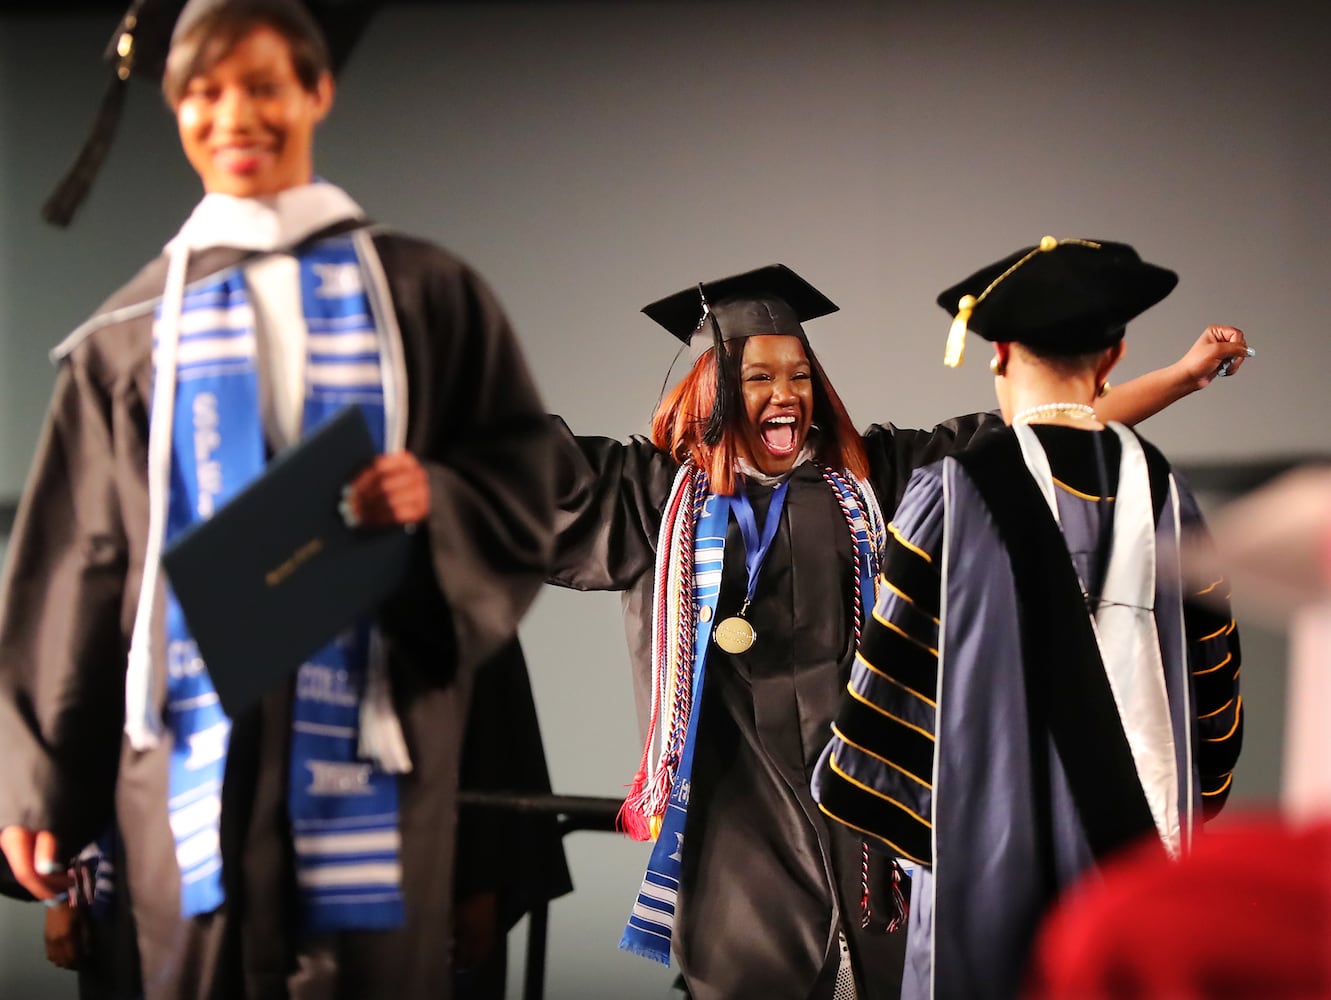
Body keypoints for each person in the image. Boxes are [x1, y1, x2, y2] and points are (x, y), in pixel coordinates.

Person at [0, 1, 555, 997]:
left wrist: (433, 497)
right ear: (175, 109)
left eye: (261, 86)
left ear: (315, 91)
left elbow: (516, 485)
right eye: (204, 94)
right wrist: (39, 784)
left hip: (376, 750)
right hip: (182, 760)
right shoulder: (127, 338)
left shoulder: (422, 297)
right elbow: (80, 565)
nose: (233, 117)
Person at [549, 261, 1250, 1000]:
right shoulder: (650, 497)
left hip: (871, 821)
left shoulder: (873, 480)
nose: (786, 394)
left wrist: (1178, 377)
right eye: (757, 378)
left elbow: (1039, 432)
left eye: (798, 375)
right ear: (714, 388)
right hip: (736, 838)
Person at [811, 236, 1245, 1000]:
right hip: (1138, 854)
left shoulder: (953, 492)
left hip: (988, 861)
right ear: (1111, 357)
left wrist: (942, 835)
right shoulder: (1165, 492)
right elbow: (1213, 684)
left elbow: (889, 688)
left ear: (998, 353)